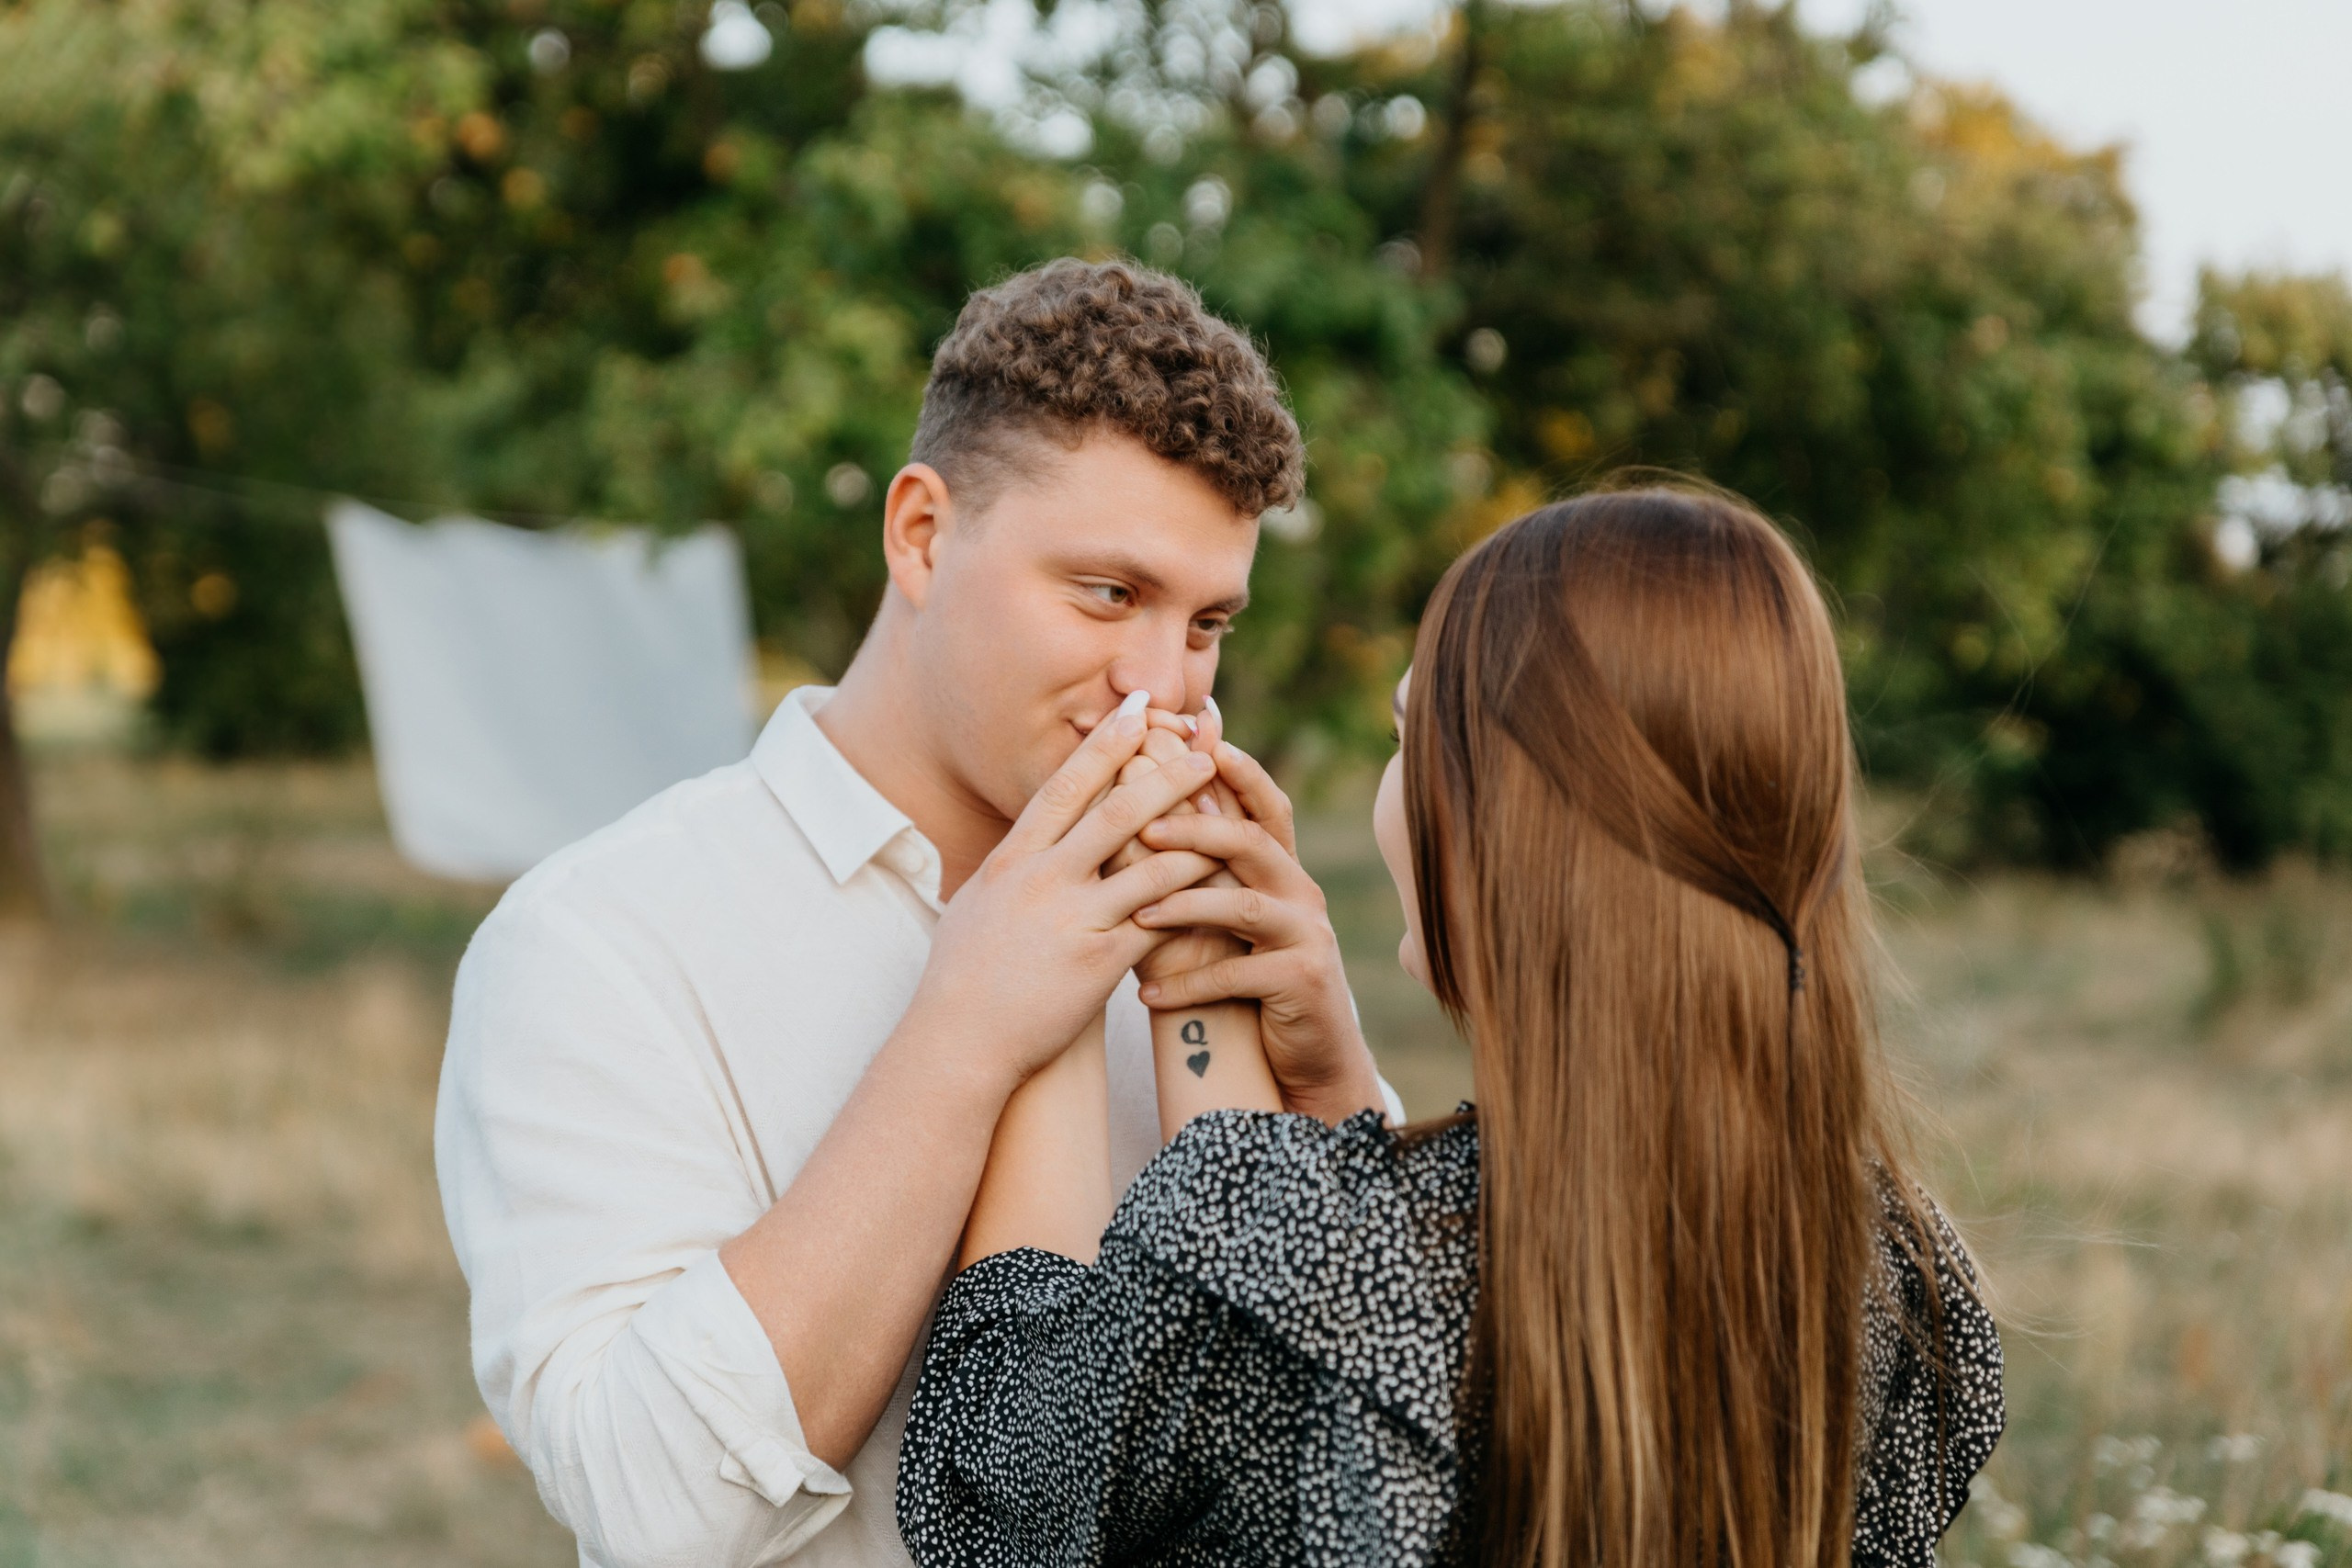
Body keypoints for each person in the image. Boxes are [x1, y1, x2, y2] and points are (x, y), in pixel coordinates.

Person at [435, 258, 1396, 1568]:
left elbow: (1387, 1453)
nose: (1158, 686)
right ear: (922, 535)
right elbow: (656, 1512)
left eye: (1207, 622)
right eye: (1109, 594)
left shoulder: (1207, 916)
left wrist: (1337, 1076)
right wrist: (962, 1033)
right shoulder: (599, 941)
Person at [895, 485, 2007, 1567]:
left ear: (1500, 827)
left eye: (1407, 735)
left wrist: (1041, 958)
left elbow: (994, 1487)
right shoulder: (1907, 1286)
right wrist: (1328, 1089)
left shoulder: (1360, 1271)